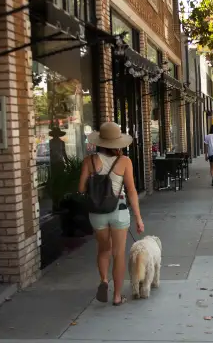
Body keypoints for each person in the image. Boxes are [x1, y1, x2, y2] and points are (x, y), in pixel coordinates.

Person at [78, 122, 145, 306]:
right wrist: (138, 218)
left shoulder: (89, 161)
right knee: (118, 253)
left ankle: (104, 280)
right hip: (119, 211)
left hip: (97, 213)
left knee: (103, 250)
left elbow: (81, 188)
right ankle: (117, 296)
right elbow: (131, 191)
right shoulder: (124, 162)